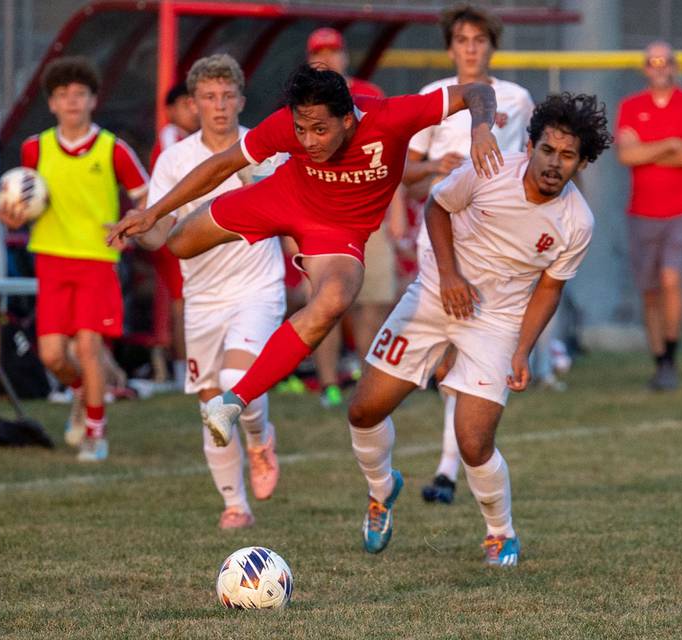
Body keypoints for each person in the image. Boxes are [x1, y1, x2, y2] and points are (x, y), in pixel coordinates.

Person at [107, 62, 503, 450]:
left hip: (339, 231)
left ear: (347, 119)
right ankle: (257, 179)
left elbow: (477, 91)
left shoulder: (390, 115)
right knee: (178, 243)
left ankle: (231, 403)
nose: (309, 141)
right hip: (282, 196)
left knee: (333, 301)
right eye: (301, 130)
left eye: (320, 130)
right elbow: (223, 164)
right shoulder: (286, 124)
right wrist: (153, 212)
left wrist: (481, 128)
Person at [347, 93, 612, 564]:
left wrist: (522, 349)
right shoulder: (489, 170)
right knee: (364, 411)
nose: (554, 163)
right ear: (529, 146)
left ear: (582, 162)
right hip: (434, 295)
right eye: (547, 150)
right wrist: (449, 276)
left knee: (473, 441)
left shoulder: (577, 222)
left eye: (568, 155)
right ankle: (381, 490)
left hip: (497, 321)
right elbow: (437, 207)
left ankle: (500, 533)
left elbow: (549, 289)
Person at [139, 54, 285, 529]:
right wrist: (137, 229)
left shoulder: (265, 149)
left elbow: (293, 211)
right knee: (211, 407)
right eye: (208, 97)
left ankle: (260, 441)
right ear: (193, 104)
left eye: (227, 96)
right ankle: (235, 505)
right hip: (202, 297)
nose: (219, 106)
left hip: (258, 286)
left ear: (241, 100)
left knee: (235, 382)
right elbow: (160, 231)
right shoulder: (175, 160)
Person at [403, 3, 536, 506]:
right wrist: (438, 165)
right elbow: (406, 173)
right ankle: (438, 467)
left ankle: (447, 470)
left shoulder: (516, 98)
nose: (471, 48)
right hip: (441, 236)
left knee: (468, 352)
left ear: (492, 46)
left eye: (480, 39)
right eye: (462, 40)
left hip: (493, 242)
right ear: (450, 47)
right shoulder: (433, 97)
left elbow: (533, 165)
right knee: (443, 355)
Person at [0, 56, 148, 461]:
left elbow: (146, 197)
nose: (72, 101)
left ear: (93, 100)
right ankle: (80, 391)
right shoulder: (35, 148)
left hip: (96, 260)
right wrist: (12, 215)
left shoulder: (113, 149)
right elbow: (24, 199)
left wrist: (131, 227)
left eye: (80, 94)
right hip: (51, 259)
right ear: (51, 103)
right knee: (51, 355)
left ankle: (96, 432)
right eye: (63, 95)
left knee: (88, 347)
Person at [306, 27, 405, 408]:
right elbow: (290, 164)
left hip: (369, 212)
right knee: (324, 306)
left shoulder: (368, 94)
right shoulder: (302, 100)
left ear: (345, 56)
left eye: (334, 51)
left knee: (374, 301)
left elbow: (391, 151)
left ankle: (368, 378)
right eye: (320, 53)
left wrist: (397, 211)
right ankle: (329, 384)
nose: (328, 58)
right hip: (323, 216)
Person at [616, 41, 682, 391]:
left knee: (671, 279)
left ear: (675, 66)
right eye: (653, 62)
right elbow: (627, 156)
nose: (659, 67)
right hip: (642, 213)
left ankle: (671, 354)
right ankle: (659, 362)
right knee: (649, 291)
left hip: (681, 211)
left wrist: (647, 149)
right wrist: (671, 144)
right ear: (645, 68)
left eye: (665, 61)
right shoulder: (631, 106)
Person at [148, 83, 200, 391]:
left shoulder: (194, 138)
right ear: (170, 110)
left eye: (195, 103)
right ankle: (184, 371)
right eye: (185, 104)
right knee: (184, 301)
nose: (193, 110)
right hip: (173, 229)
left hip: (189, 228)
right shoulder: (172, 138)